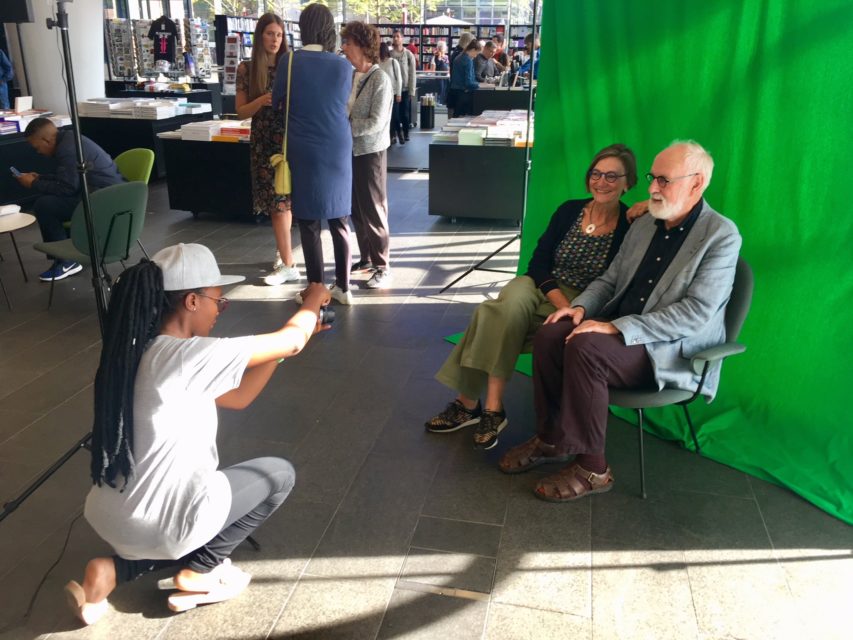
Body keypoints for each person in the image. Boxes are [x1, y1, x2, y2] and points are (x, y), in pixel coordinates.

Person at [64, 243, 333, 625]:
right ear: (192, 300)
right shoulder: (189, 356)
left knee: (177, 517)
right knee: (278, 474)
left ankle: (113, 571)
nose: (219, 312)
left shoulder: (138, 352)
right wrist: (312, 303)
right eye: (218, 303)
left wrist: (279, 353)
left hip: (110, 516)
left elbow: (238, 397)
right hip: (160, 523)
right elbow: (293, 339)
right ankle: (201, 570)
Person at [499, 141, 742, 502]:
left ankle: (593, 468)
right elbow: (610, 280)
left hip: (669, 350)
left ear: (697, 183)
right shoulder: (645, 224)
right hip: (619, 332)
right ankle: (552, 438)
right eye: (652, 178)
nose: (654, 188)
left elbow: (695, 314)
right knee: (553, 331)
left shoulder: (721, 236)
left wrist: (615, 327)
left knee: (586, 346)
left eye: (664, 180)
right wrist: (579, 309)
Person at [426, 144, 639, 450]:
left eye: (611, 176)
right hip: (542, 287)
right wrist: (562, 305)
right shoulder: (569, 210)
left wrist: (575, 307)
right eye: (596, 173)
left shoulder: (631, 224)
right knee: (509, 303)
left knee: (491, 313)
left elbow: (614, 281)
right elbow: (538, 263)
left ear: (627, 183)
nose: (601, 182)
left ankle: (468, 405)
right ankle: (493, 409)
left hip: (586, 298)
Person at [272, 3, 354, 305]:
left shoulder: (290, 62)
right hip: (337, 145)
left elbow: (277, 99)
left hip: (303, 144)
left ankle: (316, 288)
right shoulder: (343, 65)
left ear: (303, 27)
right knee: (340, 218)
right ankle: (344, 288)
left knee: (308, 219)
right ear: (329, 28)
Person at [17, 118, 125, 282]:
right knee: (50, 201)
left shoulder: (67, 149)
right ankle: (74, 250)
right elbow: (69, 179)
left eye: (36, 147)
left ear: (47, 140)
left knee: (44, 205)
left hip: (103, 199)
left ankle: (65, 260)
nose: (37, 152)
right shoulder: (69, 139)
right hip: (109, 192)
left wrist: (34, 183)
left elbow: (66, 188)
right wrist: (41, 178)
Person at [235, 13, 298, 286]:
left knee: (283, 202)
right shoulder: (246, 69)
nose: (275, 40)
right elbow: (240, 112)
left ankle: (288, 262)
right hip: (263, 141)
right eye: (271, 34)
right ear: (260, 35)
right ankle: (285, 256)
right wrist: (261, 100)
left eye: (280, 35)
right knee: (276, 204)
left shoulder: (291, 66)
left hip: (286, 140)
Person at [342, 22, 394, 291]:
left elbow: (376, 122)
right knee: (355, 208)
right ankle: (366, 258)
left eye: (348, 43)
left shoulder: (380, 79)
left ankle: (383, 266)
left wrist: (343, 127)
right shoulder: (350, 76)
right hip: (349, 150)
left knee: (373, 209)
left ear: (363, 46)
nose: (344, 48)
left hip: (370, 152)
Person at [389, 30, 416, 141]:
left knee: (404, 113)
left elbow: (412, 73)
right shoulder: (389, 55)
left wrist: (411, 90)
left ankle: (406, 132)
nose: (396, 38)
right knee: (393, 114)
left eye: (398, 36)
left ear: (402, 39)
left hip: (404, 88)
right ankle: (394, 134)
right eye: (394, 36)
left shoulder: (408, 54)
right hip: (393, 89)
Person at [378, 41, 404, 146]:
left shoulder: (393, 62)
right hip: (382, 94)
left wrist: (398, 93)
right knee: (386, 117)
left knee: (395, 116)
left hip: (393, 93)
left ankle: (399, 133)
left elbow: (399, 79)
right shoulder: (378, 63)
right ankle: (391, 136)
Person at [448, 39, 482, 118]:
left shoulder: (459, 57)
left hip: (455, 92)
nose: (475, 56)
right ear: (473, 50)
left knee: (456, 117)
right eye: (476, 53)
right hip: (463, 94)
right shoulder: (468, 60)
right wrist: (479, 85)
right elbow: (469, 82)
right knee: (463, 118)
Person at [427, 41, 450, 105]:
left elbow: (447, 65)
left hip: (446, 75)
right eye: (439, 47)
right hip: (439, 75)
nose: (440, 49)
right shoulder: (436, 56)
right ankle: (439, 101)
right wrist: (439, 56)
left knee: (445, 88)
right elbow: (437, 64)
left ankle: (443, 101)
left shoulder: (446, 56)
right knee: (440, 88)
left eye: (442, 48)